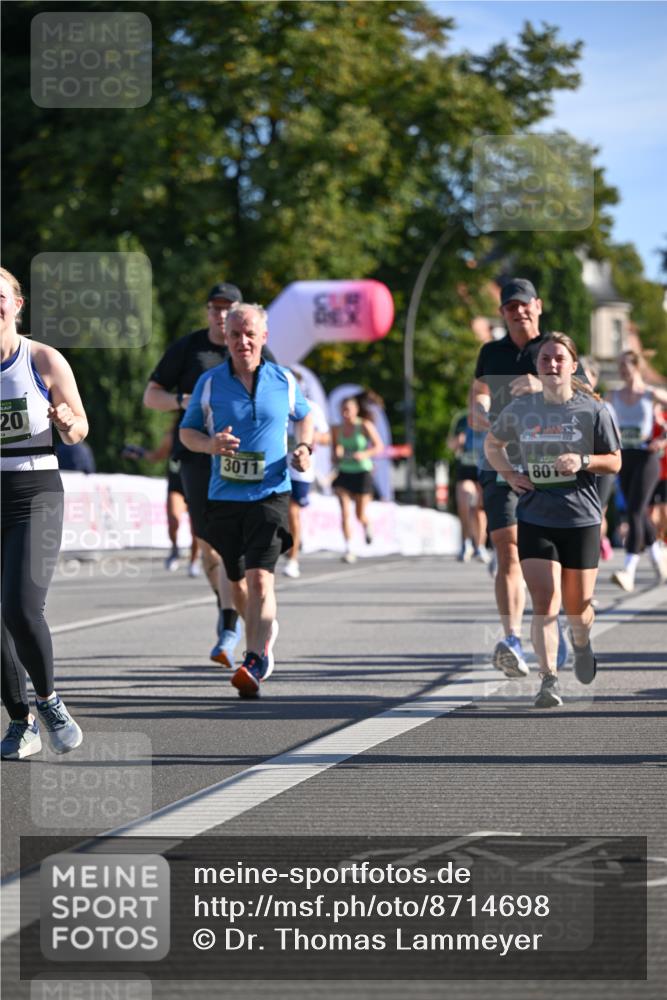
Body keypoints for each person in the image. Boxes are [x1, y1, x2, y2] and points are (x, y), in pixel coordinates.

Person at [179, 303, 313, 698]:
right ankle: (262, 627)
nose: (243, 341)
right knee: (234, 581)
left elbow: (305, 416)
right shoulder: (209, 383)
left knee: (259, 578)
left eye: (250, 333)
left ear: (264, 337)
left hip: (271, 492)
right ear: (227, 338)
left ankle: (254, 658)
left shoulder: (284, 380)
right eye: (235, 334)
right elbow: (187, 433)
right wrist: (210, 444)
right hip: (224, 497)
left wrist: (304, 446)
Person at [484, 333, 621, 708]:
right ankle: (548, 680)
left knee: (578, 608)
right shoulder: (521, 409)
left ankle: (580, 641)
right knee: (545, 601)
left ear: (573, 365)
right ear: (537, 366)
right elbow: (492, 444)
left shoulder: (593, 410)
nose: (552, 364)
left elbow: (615, 460)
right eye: (545, 358)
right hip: (535, 515)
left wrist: (584, 461)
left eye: (559, 358)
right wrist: (510, 474)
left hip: (581, 519)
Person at [469, 277, 578, 676]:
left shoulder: (551, 348)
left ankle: (551, 620)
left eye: (524, 304)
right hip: (500, 463)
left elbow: (588, 391)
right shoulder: (491, 352)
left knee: (550, 555)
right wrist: (480, 407)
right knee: (508, 549)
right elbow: (476, 397)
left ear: (538, 305)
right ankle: (513, 638)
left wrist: (545, 381)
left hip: (548, 464)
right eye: (510, 307)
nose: (518, 312)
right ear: (502, 313)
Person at [1, 267, 87, 759]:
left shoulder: (42, 359)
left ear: (17, 304)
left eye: (0, 296)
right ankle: (20, 721)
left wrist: (68, 420)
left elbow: (79, 431)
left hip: (34, 492)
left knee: (18, 607)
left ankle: (49, 701)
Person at [143, 281, 246, 665]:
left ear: (240, 311)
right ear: (208, 312)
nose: (221, 315)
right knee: (209, 547)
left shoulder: (250, 344)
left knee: (236, 545)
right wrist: (184, 400)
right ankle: (228, 616)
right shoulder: (188, 349)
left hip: (240, 458)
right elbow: (151, 396)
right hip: (196, 456)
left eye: (228, 308)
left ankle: (235, 622)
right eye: (215, 308)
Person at [606, 350, 667, 591]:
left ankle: (628, 571)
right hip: (624, 457)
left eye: (624, 365)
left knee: (634, 510)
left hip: (647, 457)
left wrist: (662, 439)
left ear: (636, 366)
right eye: (619, 365)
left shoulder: (650, 395)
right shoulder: (614, 395)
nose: (621, 370)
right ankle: (657, 557)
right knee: (638, 511)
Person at [123, 419, 200, 576]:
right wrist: (140, 453)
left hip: (195, 486)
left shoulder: (203, 436)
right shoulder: (172, 436)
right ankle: (175, 548)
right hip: (177, 486)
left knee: (195, 530)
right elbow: (157, 455)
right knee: (173, 519)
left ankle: (193, 560)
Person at [282, 370, 330, 579]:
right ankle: (288, 544)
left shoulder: (312, 408)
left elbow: (327, 438)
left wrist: (309, 438)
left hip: (301, 469)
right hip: (275, 465)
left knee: (292, 512)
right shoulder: (276, 401)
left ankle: (293, 559)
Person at [331, 394, 383, 563]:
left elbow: (379, 446)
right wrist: (337, 454)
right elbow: (334, 452)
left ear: (356, 410)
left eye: (348, 410)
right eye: (343, 410)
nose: (345, 414)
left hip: (362, 472)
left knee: (359, 514)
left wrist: (365, 454)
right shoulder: (337, 429)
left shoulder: (364, 426)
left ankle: (366, 524)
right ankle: (349, 548)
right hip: (344, 472)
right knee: (345, 512)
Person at [580, 355, 615, 561]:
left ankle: (597, 544)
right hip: (580, 470)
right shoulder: (566, 405)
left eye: (586, 374)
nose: (581, 379)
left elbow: (615, 446)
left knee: (598, 513)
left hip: (601, 468)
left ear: (594, 378)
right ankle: (598, 542)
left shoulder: (604, 407)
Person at [447, 412, 490, 564]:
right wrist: (458, 441)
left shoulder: (493, 417)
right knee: (465, 498)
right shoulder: (462, 419)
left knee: (479, 510)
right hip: (466, 467)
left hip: (485, 467)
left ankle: (480, 546)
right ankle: (466, 542)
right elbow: (450, 446)